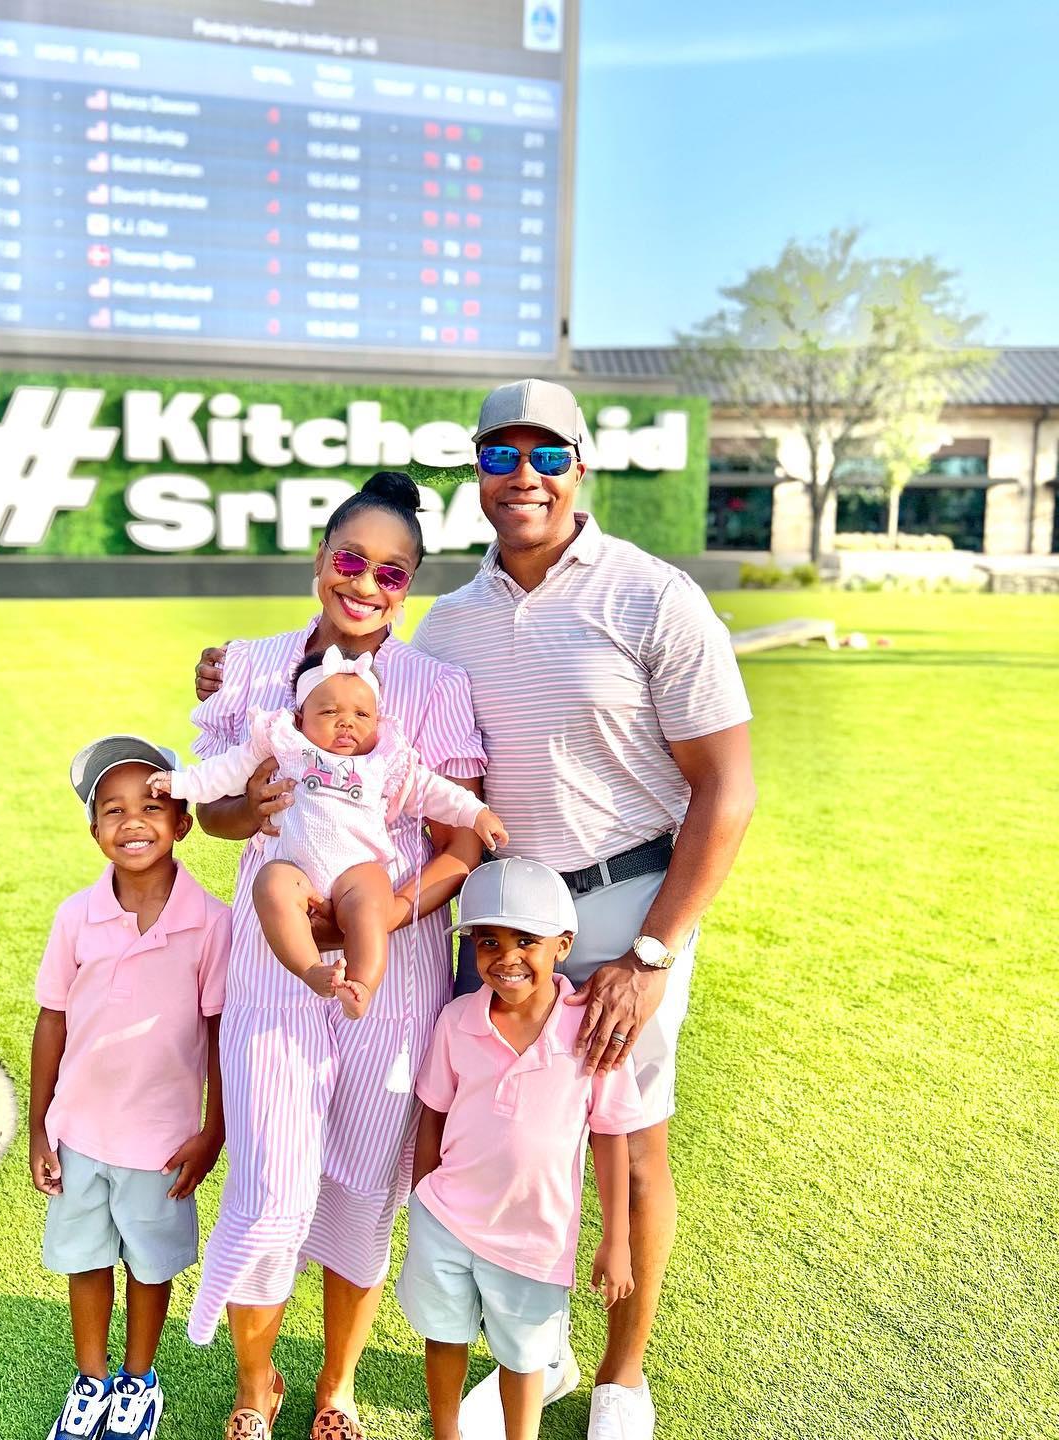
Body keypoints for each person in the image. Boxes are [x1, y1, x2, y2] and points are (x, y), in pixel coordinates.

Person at [411, 379, 757, 1440]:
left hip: (625, 913)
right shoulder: (448, 622)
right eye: (502, 455)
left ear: (582, 466)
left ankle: (623, 1376)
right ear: (477, 473)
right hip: (499, 925)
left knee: (630, 1144)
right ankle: (541, 1350)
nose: (525, 476)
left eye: (548, 454)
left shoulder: (655, 597)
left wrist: (653, 951)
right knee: (509, 1142)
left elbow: (728, 789)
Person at [185, 472, 487, 1440]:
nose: (364, 585)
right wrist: (257, 809)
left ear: (409, 590)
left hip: (390, 973)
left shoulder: (434, 688)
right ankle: (255, 1381)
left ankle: (338, 1386)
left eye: (389, 573)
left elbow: (462, 838)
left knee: (361, 1187)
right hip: (275, 965)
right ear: (320, 561)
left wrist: (392, 913)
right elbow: (211, 812)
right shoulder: (253, 667)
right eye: (349, 560)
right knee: (273, 1181)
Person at [399, 859, 643, 1440]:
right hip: (447, 1220)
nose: (505, 957)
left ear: (562, 946)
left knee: (524, 1358)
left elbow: (610, 1138)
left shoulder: (592, 1030)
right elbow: (432, 1115)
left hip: (536, 1238)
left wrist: (616, 1241)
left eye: (525, 940)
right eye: (488, 941)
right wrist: (421, 1196)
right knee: (445, 1334)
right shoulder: (457, 1020)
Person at [29, 734, 230, 1440]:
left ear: (183, 821)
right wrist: (37, 1128)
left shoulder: (213, 924)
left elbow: (217, 1040)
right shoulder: (73, 917)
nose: (132, 821)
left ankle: (138, 1383)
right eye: (111, 810)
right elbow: (51, 1021)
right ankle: (90, 1382)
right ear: (94, 831)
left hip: (162, 1143)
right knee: (84, 1261)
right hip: (80, 1131)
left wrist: (214, 1131)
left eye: (152, 805)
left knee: (150, 1267)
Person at [152, 645, 505, 1019]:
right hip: (295, 869)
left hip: (357, 868)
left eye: (361, 714)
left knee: (373, 900)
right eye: (329, 712)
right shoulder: (283, 742)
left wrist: (476, 813)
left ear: (378, 720)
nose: (346, 722)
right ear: (301, 717)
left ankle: (362, 986)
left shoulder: (384, 759)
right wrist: (176, 784)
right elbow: (222, 772)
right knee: (270, 883)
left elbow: (435, 792)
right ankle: (311, 969)